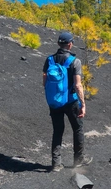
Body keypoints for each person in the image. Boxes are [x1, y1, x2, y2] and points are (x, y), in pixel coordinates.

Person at [42, 32, 92, 172]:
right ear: (70, 44)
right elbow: (78, 85)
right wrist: (83, 104)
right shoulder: (74, 61)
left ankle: (56, 163)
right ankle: (78, 160)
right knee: (77, 128)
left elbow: (44, 82)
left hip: (54, 102)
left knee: (57, 131)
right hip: (71, 102)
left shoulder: (49, 60)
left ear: (59, 44)